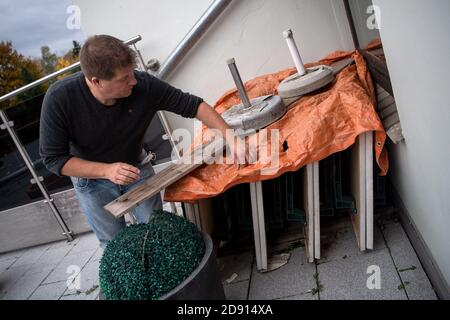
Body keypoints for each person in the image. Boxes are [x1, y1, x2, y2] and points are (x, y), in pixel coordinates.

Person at [39, 35, 236, 248]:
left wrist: (232, 138)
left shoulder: (143, 84)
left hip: (136, 167)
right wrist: (107, 171)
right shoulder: (60, 98)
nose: (133, 81)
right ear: (96, 81)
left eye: (132, 73)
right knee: (114, 244)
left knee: (157, 230)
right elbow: (53, 159)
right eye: (124, 79)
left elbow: (195, 106)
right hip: (91, 180)